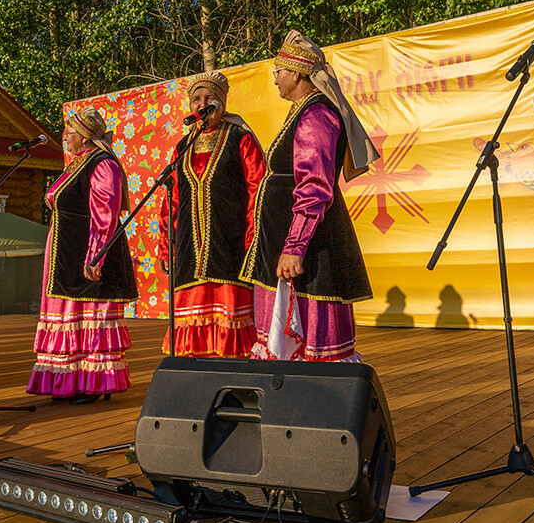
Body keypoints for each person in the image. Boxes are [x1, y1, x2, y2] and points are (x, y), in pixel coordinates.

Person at [241, 30, 378, 362]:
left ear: (297, 73)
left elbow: (314, 189)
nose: (274, 78)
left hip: (311, 251)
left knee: (314, 347)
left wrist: (294, 248)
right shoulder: (302, 111)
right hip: (290, 245)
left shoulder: (316, 116)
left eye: (278, 70)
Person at [27, 106, 138, 404]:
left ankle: (95, 382)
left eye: (70, 132)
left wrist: (96, 255)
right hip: (65, 252)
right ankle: (69, 379)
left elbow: (105, 212)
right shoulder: (76, 164)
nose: (65, 137)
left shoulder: (102, 164)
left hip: (86, 253)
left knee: (89, 312)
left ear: (86, 137)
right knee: (67, 313)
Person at [156, 71, 266, 357]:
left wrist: (253, 239)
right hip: (189, 249)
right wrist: (166, 248)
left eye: (210, 98)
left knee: (230, 317)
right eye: (196, 100)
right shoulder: (183, 147)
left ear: (223, 104)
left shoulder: (240, 138)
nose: (202, 104)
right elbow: (172, 200)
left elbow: (258, 190)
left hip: (229, 244)